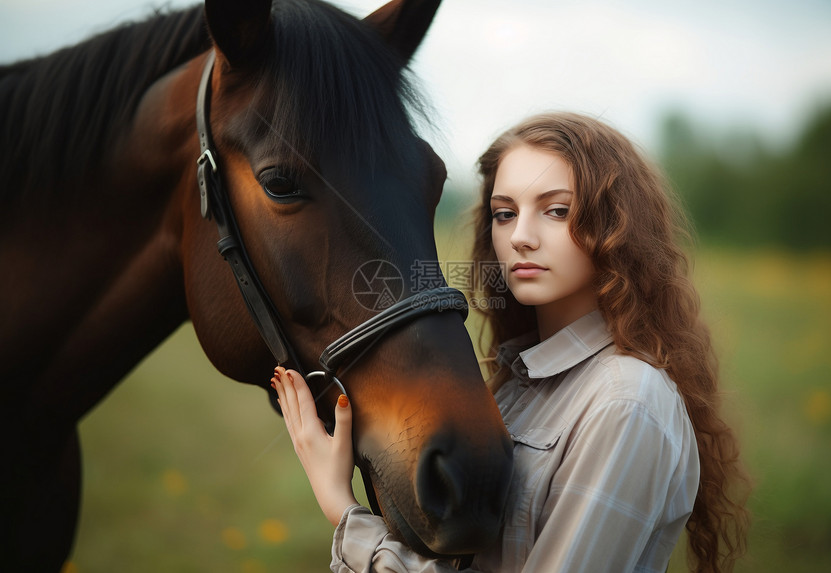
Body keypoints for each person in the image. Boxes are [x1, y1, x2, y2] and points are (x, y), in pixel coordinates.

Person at [271, 112, 749, 572]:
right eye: (504, 214)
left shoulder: (626, 401)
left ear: (615, 227)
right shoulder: (518, 382)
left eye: (556, 211)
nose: (520, 237)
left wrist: (345, 512)